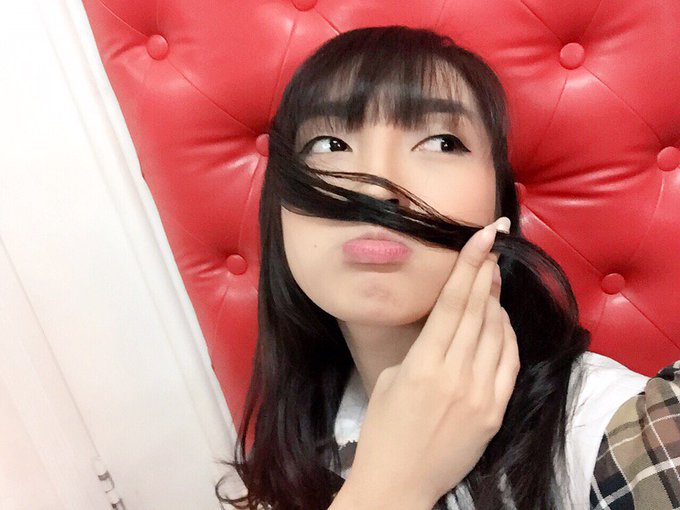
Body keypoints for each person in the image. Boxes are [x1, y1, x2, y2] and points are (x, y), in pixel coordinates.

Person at [216, 26, 677, 509]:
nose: (377, 188)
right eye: (330, 145)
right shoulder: (301, 444)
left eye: (442, 142)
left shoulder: (607, 429)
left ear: (498, 205)